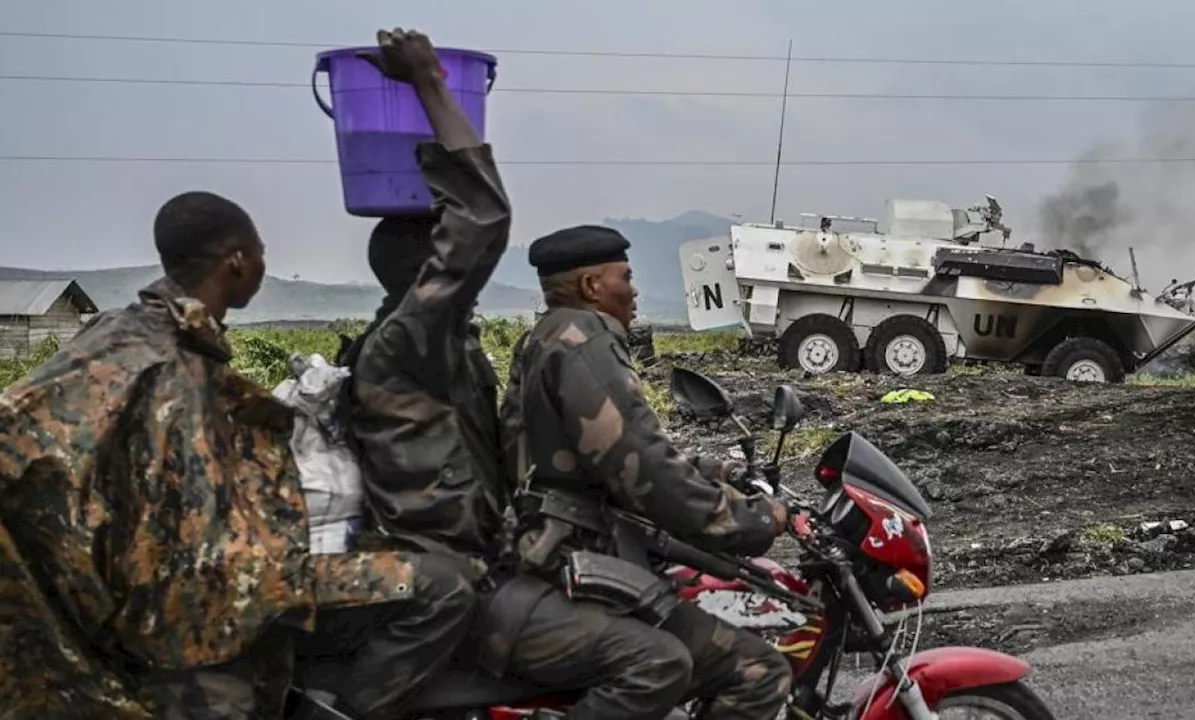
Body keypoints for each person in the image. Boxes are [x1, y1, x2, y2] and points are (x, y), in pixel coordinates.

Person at [0, 189, 422, 718]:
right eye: (261, 252)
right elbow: (193, 542)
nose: (265, 265)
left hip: (144, 620)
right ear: (238, 262)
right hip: (188, 642)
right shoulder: (174, 369)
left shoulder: (119, 334)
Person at [489, 224, 795, 720]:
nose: (634, 293)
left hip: (548, 545)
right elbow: (644, 473)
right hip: (575, 557)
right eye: (625, 278)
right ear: (592, 286)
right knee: (756, 671)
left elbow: (603, 451)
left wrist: (718, 470)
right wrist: (754, 520)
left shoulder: (543, 338)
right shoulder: (584, 341)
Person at [323, 26, 514, 720]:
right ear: (426, 271)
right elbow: (483, 219)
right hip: (435, 569)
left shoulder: (420, 339)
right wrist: (429, 82)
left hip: (453, 552)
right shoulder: (409, 338)